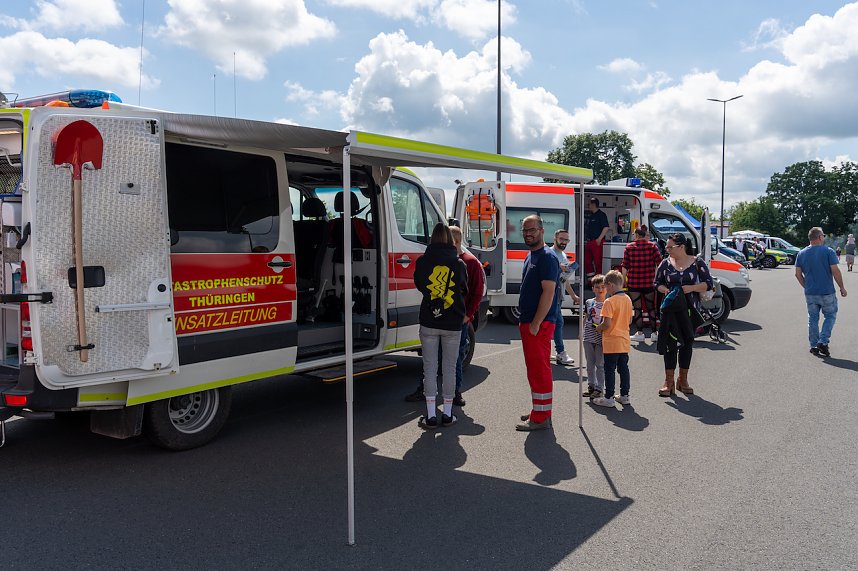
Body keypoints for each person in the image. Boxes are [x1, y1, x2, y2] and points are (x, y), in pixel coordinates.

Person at [403, 227, 486, 406]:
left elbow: (476, 292)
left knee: (453, 361)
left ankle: (454, 393)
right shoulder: (448, 261)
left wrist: (468, 315)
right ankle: (425, 390)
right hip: (442, 319)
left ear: (456, 242)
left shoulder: (470, 262)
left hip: (457, 319)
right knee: (432, 361)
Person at [413, 223, 469, 429]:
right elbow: (464, 288)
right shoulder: (459, 264)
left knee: (429, 368)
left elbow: (420, 285)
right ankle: (447, 414)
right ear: (449, 240)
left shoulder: (422, 262)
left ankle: (430, 416)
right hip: (452, 322)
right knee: (449, 368)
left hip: (429, 319)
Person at [653, 233, 714, 396]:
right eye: (666, 247)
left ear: (681, 247)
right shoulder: (665, 264)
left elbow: (709, 284)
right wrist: (665, 290)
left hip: (690, 309)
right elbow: (656, 283)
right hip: (670, 309)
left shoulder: (697, 262)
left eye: (670, 247)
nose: (667, 249)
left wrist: (692, 288)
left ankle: (683, 380)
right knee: (670, 344)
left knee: (687, 343)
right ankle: (669, 382)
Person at [515, 215, 560, 431]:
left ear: (542, 230)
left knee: (539, 370)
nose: (527, 234)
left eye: (531, 230)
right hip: (531, 322)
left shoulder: (547, 257)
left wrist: (536, 323)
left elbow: (549, 292)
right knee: (534, 370)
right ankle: (539, 410)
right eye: (525, 230)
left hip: (538, 324)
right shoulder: (532, 255)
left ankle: (541, 418)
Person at [795, 227, 847, 357]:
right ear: (819, 237)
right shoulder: (828, 251)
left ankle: (813, 345)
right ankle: (823, 341)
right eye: (823, 235)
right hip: (827, 292)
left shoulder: (801, 253)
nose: (824, 237)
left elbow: (797, 274)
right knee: (830, 316)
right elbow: (835, 271)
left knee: (813, 318)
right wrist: (842, 287)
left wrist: (806, 286)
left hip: (810, 293)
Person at [592, 270, 633, 407]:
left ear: (610, 285)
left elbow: (607, 323)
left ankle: (609, 397)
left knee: (609, 369)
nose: (605, 290)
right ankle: (625, 396)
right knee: (623, 368)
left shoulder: (609, 301)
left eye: (606, 287)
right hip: (624, 339)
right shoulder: (627, 299)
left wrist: (598, 328)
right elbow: (630, 320)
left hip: (611, 341)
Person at [621, 224, 663, 342]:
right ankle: (654, 333)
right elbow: (660, 263)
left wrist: (623, 280)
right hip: (649, 282)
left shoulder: (629, 247)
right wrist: (657, 278)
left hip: (634, 283)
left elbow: (625, 266)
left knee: (637, 308)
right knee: (651, 308)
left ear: (637, 235)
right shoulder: (652, 246)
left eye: (634, 234)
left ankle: (639, 333)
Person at [549, 228, 580, 365]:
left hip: (558, 295)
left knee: (551, 323)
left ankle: (548, 351)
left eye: (566, 240)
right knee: (558, 322)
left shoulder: (563, 255)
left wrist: (573, 295)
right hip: (550, 294)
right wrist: (557, 268)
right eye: (561, 239)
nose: (564, 242)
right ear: (555, 238)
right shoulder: (549, 253)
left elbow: (564, 279)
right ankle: (560, 352)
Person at [581, 274, 607, 400]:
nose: (600, 290)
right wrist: (581, 330)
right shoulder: (589, 302)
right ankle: (591, 386)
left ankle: (599, 388)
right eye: (597, 287)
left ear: (606, 288)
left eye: (603, 287)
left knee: (600, 365)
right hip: (588, 336)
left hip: (601, 338)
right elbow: (586, 316)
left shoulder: (608, 303)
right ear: (593, 289)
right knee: (589, 364)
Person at [583, 197, 610, 278]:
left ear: (594, 204)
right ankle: (591, 280)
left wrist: (599, 239)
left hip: (597, 242)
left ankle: (599, 280)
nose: (588, 206)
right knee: (587, 261)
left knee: (598, 262)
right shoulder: (591, 215)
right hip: (589, 241)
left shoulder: (601, 215)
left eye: (589, 204)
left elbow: (606, 227)